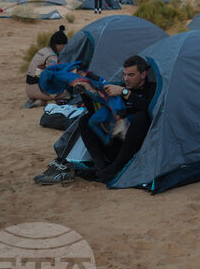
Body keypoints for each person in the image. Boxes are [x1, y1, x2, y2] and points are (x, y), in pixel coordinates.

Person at [34, 55, 156, 185]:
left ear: (143, 74)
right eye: (125, 74)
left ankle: (116, 168)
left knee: (141, 117)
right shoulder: (120, 86)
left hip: (138, 147)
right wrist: (85, 93)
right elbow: (95, 112)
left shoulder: (152, 89)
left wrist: (125, 93)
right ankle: (100, 165)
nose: (126, 79)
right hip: (116, 143)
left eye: (131, 75)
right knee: (85, 120)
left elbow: (151, 109)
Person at [24, 26, 70, 108]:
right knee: (65, 90)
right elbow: (52, 73)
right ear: (57, 45)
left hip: (29, 89)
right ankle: (58, 100)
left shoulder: (43, 50)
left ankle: (38, 100)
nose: (64, 48)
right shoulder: (52, 56)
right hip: (39, 90)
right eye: (63, 45)